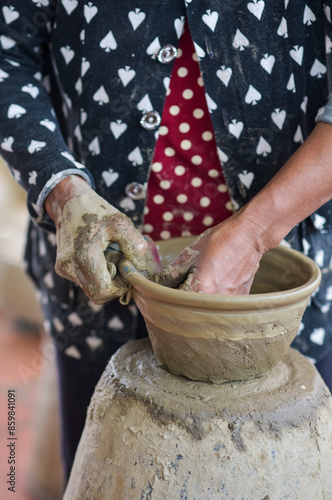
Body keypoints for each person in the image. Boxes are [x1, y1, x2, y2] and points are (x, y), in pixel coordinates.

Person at [1, 0, 332, 482]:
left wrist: (257, 233)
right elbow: (8, 51)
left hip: (279, 304)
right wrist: (61, 189)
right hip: (99, 280)